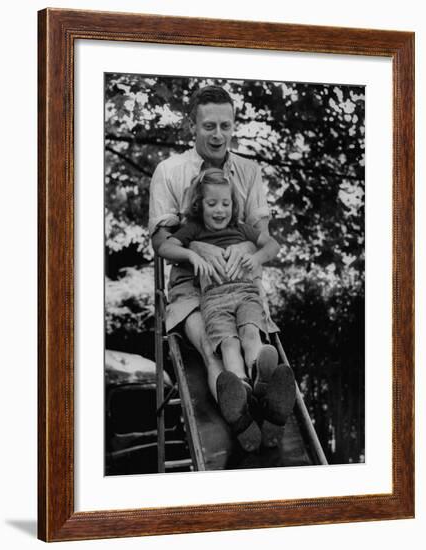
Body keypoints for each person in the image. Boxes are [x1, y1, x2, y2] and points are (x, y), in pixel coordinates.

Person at [149, 85, 294, 450]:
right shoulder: (170, 171)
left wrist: (249, 251)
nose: (218, 135)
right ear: (192, 127)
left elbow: (261, 236)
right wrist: (196, 248)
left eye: (225, 126)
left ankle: (260, 392)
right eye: (209, 126)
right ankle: (241, 411)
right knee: (215, 349)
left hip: (236, 281)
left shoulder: (247, 171)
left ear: (233, 126)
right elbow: (163, 242)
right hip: (191, 283)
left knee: (248, 334)